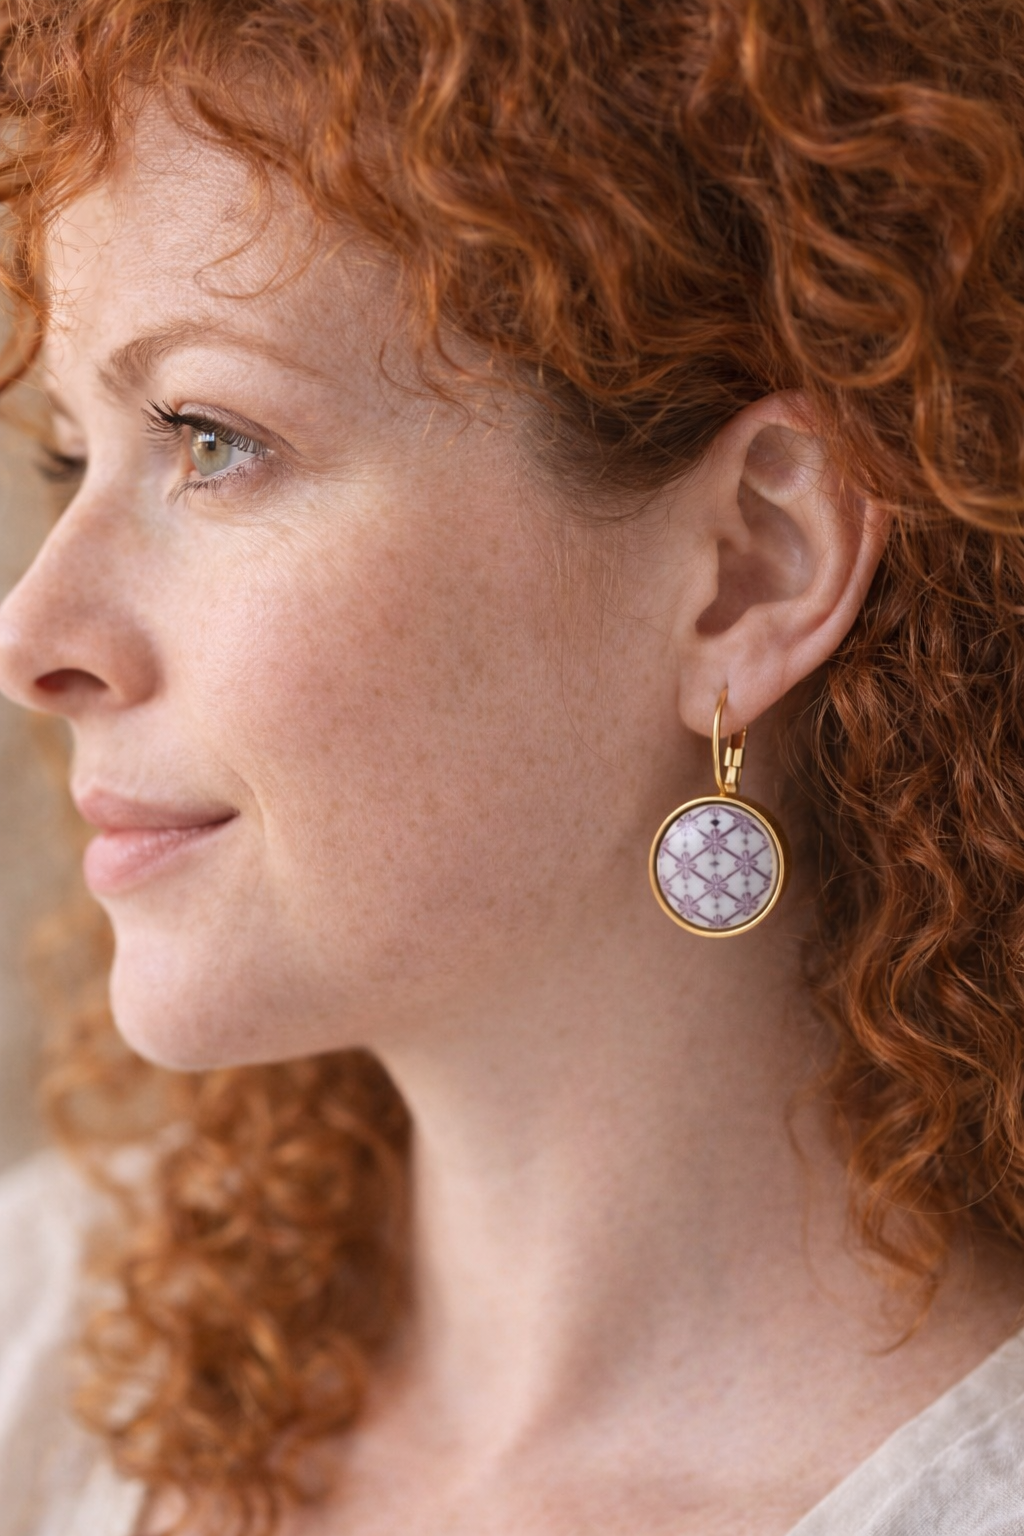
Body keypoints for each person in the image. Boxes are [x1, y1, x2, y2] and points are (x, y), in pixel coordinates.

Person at [2, 0, 1024, 1531]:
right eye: (68, 456)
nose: (31, 636)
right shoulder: (41, 1343)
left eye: (212, 440)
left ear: (751, 567)